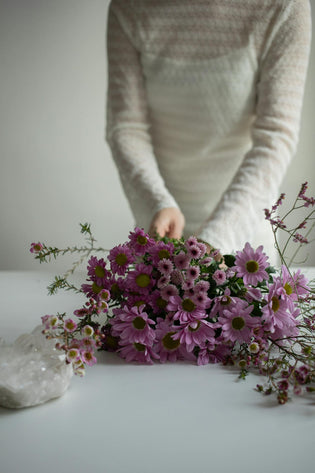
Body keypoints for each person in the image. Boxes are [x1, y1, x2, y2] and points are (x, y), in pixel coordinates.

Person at [105, 0, 311, 262]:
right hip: (163, 228)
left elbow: (276, 134)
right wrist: (156, 201)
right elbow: (126, 126)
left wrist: (217, 238)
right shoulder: (129, 7)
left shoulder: (284, 6)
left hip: (243, 232)